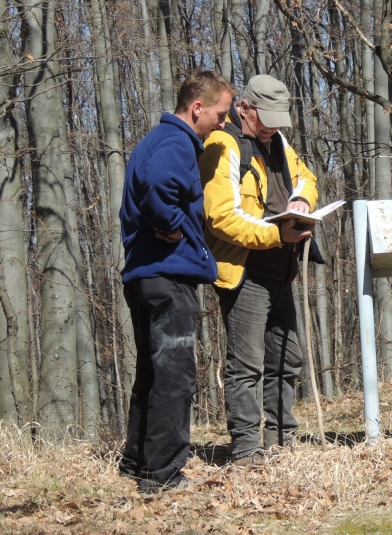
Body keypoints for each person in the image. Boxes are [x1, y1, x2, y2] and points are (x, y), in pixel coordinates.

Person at [118, 71, 236, 494]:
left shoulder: (157, 140)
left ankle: (137, 463)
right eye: (221, 114)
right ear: (197, 107)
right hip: (166, 275)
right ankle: (163, 475)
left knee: (152, 372)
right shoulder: (175, 142)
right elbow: (157, 187)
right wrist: (171, 225)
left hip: (144, 275)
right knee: (176, 376)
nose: (224, 123)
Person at [199, 74, 319, 467]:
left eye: (278, 119)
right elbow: (220, 217)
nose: (271, 126)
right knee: (246, 364)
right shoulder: (224, 143)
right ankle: (248, 448)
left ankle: (281, 439)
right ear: (243, 108)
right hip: (245, 271)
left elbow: (307, 178)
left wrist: (301, 200)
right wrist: (275, 233)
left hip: (282, 270)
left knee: (287, 359)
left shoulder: (279, 142)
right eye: (264, 118)